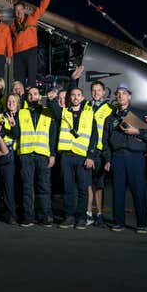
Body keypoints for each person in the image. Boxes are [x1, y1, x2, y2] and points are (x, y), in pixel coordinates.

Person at [103, 83, 147, 234]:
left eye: (124, 93)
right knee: (117, 192)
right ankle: (118, 222)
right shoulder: (110, 118)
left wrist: (136, 131)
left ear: (129, 96)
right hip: (117, 157)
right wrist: (108, 159)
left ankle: (141, 224)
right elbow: (105, 141)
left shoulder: (140, 114)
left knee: (138, 191)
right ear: (115, 96)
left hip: (135, 157)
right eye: (118, 93)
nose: (121, 96)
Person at [11, 87, 58, 227]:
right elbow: (15, 135)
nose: (32, 96)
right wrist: (13, 126)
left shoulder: (48, 112)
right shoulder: (21, 113)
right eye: (30, 95)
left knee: (43, 187)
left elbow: (52, 136)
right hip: (26, 155)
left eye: (35, 94)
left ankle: (44, 216)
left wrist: (53, 155)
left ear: (40, 96)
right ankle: (28, 217)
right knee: (26, 187)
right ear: (27, 97)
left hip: (43, 155)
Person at [56, 87, 99, 229]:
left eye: (78, 95)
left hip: (82, 157)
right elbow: (52, 106)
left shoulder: (88, 113)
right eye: (73, 95)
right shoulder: (63, 112)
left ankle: (81, 218)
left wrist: (91, 156)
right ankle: (68, 217)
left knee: (82, 189)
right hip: (66, 156)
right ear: (70, 97)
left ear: (82, 98)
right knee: (68, 189)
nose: (75, 97)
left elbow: (94, 136)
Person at [10, 0, 55, 87]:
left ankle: (32, 99)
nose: (19, 12)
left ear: (24, 10)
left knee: (31, 78)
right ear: (14, 12)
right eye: (16, 10)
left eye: (20, 9)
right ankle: (19, 100)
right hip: (17, 54)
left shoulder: (32, 18)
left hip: (31, 51)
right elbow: (9, 41)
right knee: (18, 80)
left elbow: (42, 6)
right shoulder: (11, 25)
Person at [86, 81, 115, 227]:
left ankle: (99, 214)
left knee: (99, 185)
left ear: (104, 92)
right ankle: (88, 213)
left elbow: (111, 135)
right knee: (87, 184)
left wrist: (109, 156)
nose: (96, 93)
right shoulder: (86, 106)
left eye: (99, 90)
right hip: (86, 151)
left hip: (101, 153)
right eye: (93, 90)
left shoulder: (110, 109)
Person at [0, 94, 21, 224]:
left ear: (18, 103)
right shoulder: (1, 116)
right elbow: (0, 134)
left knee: (19, 186)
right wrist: (11, 127)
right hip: (7, 154)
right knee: (8, 186)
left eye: (14, 101)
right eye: (9, 101)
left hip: (20, 155)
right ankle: (11, 215)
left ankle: (19, 212)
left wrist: (14, 125)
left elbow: (18, 134)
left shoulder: (22, 115)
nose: (11, 103)